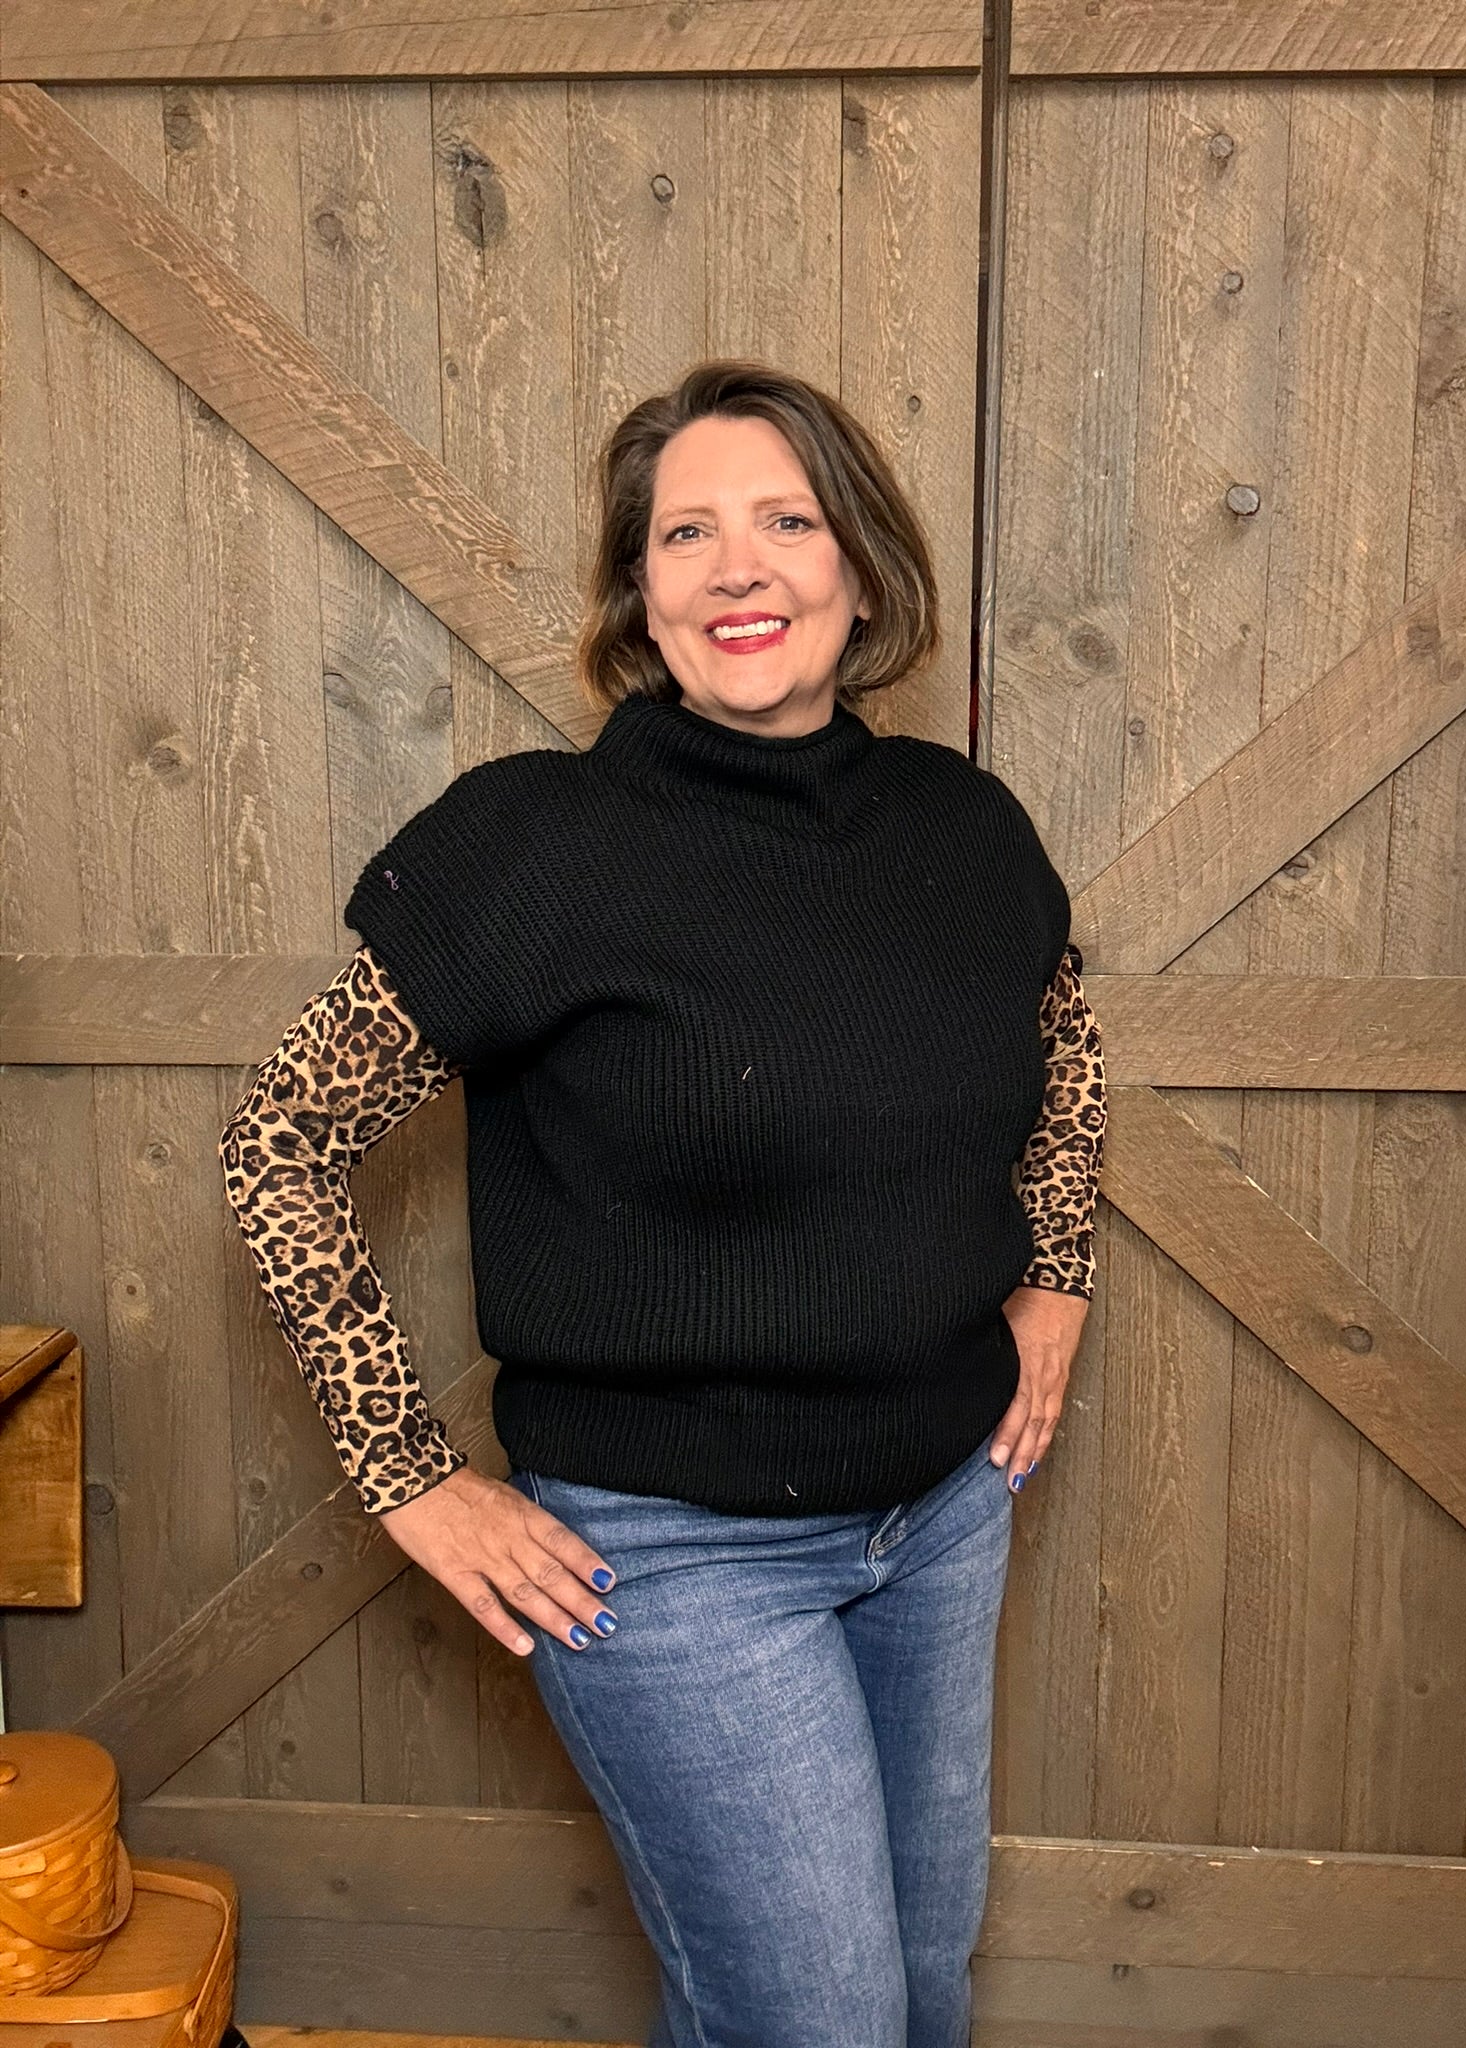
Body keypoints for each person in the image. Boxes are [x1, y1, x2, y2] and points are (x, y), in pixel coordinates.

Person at [219, 360, 1105, 2048]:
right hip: (669, 1556)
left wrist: (1053, 1266)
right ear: (641, 594)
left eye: (785, 518)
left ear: (861, 564)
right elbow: (280, 1145)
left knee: (918, 1990)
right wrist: (408, 1475)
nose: (737, 566)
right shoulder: (536, 850)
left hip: (943, 1513)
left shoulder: (966, 831)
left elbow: (1060, 1043)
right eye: (685, 531)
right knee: (817, 2022)